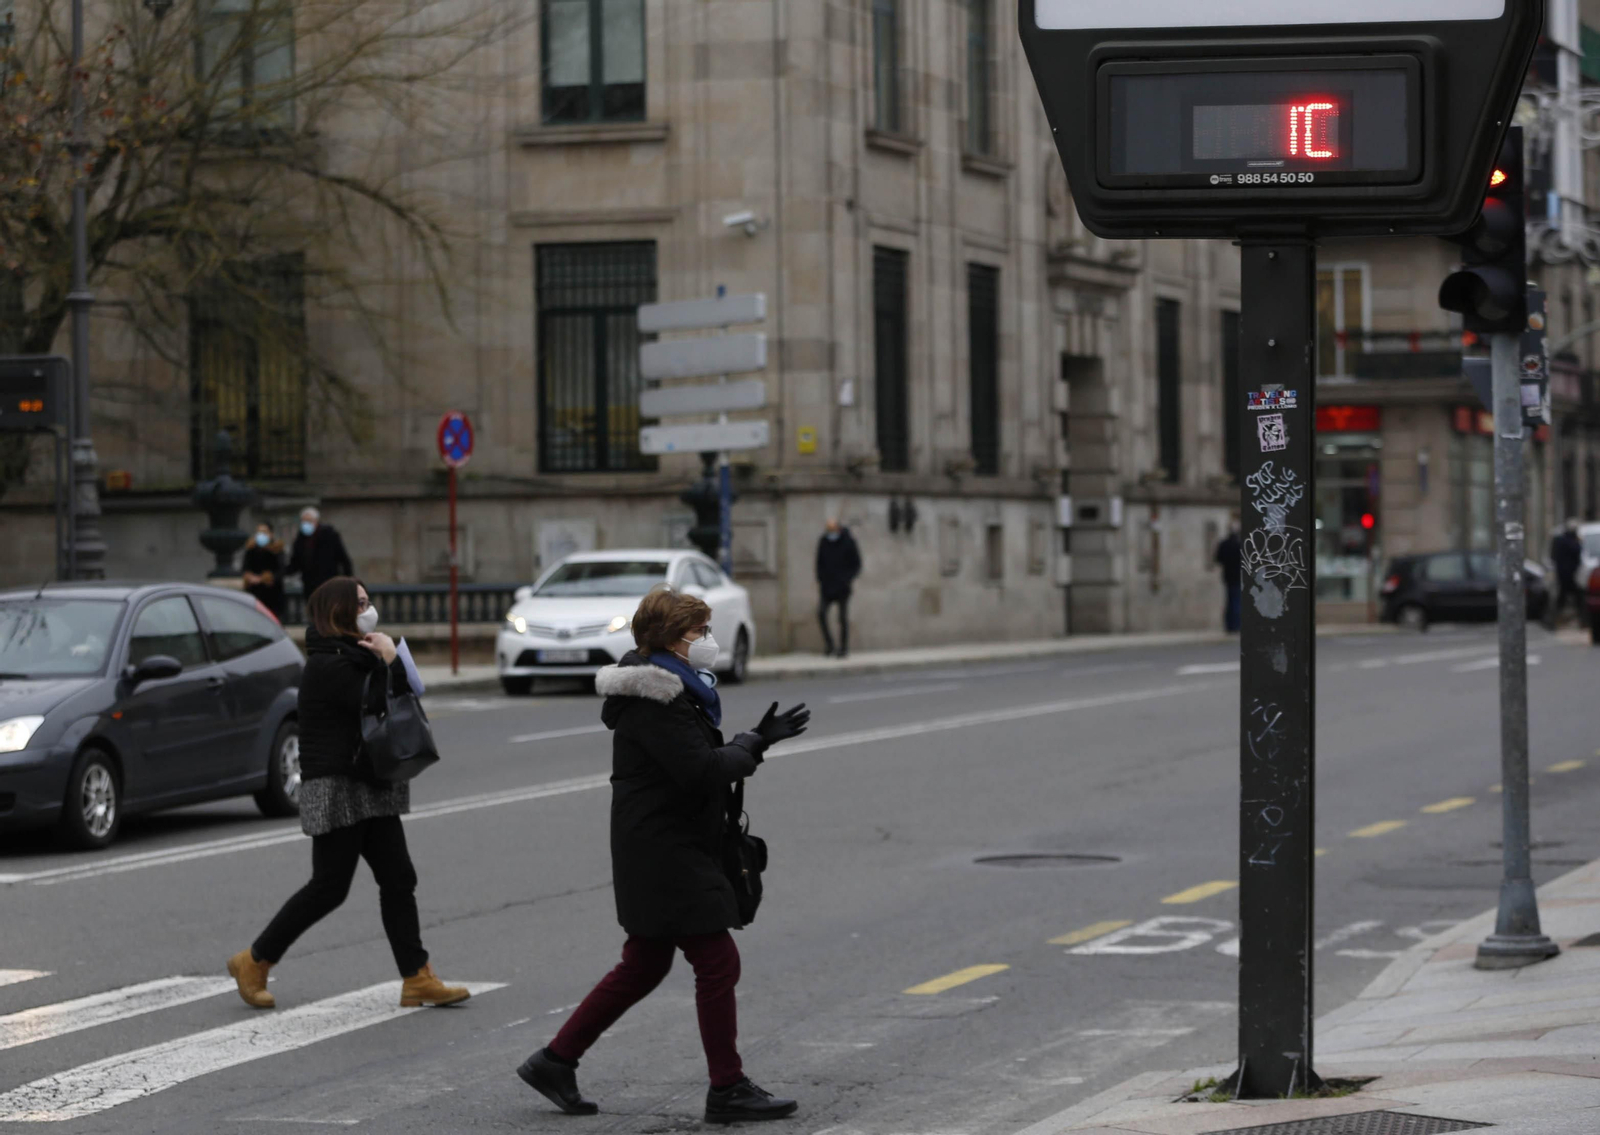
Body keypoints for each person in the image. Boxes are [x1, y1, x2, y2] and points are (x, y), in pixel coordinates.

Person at [516, 585, 810, 1124]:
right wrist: (752, 744)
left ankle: (554, 1061)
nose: (708, 639)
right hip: (664, 850)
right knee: (716, 961)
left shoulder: (674, 688)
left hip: (661, 843)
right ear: (670, 638)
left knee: (645, 963)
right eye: (699, 631)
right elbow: (699, 770)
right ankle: (727, 1088)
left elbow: (694, 762)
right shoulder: (657, 696)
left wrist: (752, 742)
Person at [227, 577, 469, 1011]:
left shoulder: (356, 655)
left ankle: (417, 977)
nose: (367, 609)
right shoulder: (328, 664)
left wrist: (386, 658)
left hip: (370, 783)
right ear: (338, 610)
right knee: (329, 887)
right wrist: (391, 659)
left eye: (367, 601)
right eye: (359, 603)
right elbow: (376, 700)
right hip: (338, 788)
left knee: (398, 878)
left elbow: (394, 696)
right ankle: (254, 960)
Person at [287, 507, 354, 608]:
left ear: (316, 521)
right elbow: (295, 563)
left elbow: (343, 558)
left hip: (329, 582)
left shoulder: (330, 535)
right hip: (310, 585)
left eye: (309, 521)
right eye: (304, 521)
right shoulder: (300, 540)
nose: (306, 524)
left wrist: (348, 581)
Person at [815, 517, 861, 658]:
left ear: (838, 529)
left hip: (842, 587)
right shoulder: (824, 541)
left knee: (842, 618)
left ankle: (843, 648)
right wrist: (821, 579)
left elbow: (856, 564)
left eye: (833, 530)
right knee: (821, 613)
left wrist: (847, 578)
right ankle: (830, 645)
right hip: (827, 587)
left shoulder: (848, 542)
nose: (831, 533)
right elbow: (819, 563)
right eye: (829, 530)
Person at [241, 521, 287, 621]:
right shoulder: (251, 549)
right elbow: (245, 568)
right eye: (259, 532)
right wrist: (250, 577)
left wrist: (263, 578)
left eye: (264, 532)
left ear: (271, 534)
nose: (261, 535)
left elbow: (281, 571)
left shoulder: (277, 550)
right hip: (254, 594)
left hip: (273, 596)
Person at [1547, 519, 1585, 629]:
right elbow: (1576, 551)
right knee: (1571, 597)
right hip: (1568, 574)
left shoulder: (1560, 540)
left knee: (1564, 598)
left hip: (1565, 574)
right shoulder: (1568, 541)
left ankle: (1556, 620)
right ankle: (1556, 621)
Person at [1215, 520, 1242, 634]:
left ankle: (1230, 625)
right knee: (1236, 601)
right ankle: (1235, 625)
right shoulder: (1239, 544)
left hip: (1228, 576)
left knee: (1230, 600)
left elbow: (1218, 559)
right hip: (1237, 576)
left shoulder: (1224, 544)